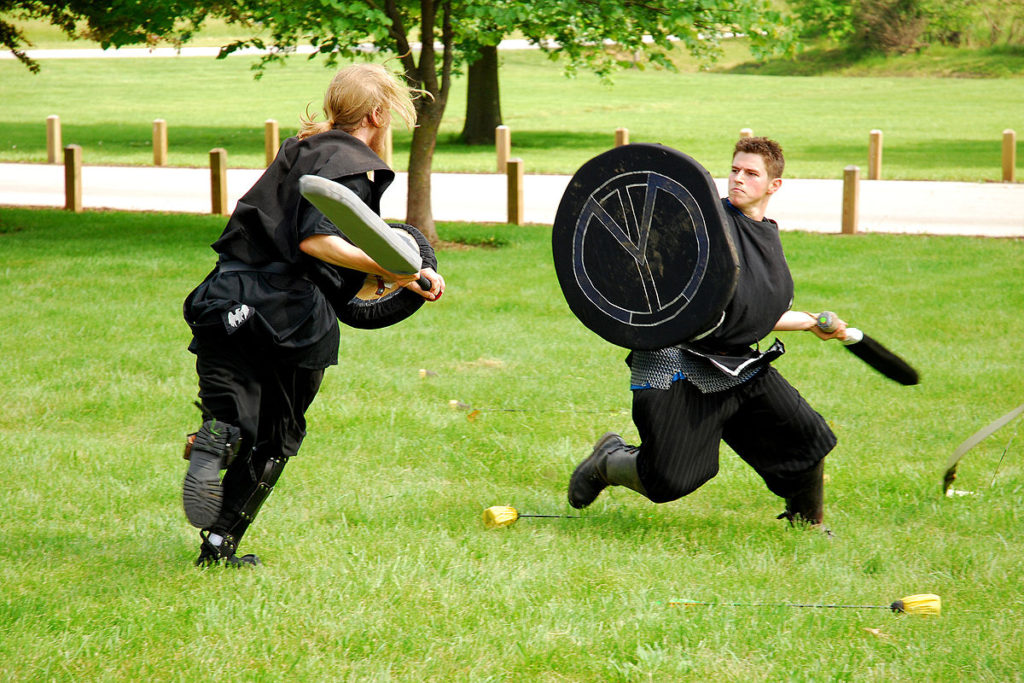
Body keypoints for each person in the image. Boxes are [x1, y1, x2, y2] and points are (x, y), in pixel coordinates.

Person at [180, 63, 444, 567]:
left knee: (233, 415)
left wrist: (405, 269)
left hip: (227, 294)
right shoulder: (348, 167)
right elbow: (316, 241)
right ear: (378, 112)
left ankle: (217, 437)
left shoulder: (299, 150)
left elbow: (299, 241)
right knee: (276, 435)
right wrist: (399, 270)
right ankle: (219, 544)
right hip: (291, 312)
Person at [567, 137, 846, 531]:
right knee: (671, 478)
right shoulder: (701, 223)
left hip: (734, 361)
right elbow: (658, 278)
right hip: (676, 358)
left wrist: (809, 322)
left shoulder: (766, 234)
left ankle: (807, 525)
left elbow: (750, 308)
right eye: (734, 170)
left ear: (773, 185)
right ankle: (607, 460)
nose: (738, 179)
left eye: (751, 174)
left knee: (805, 438)